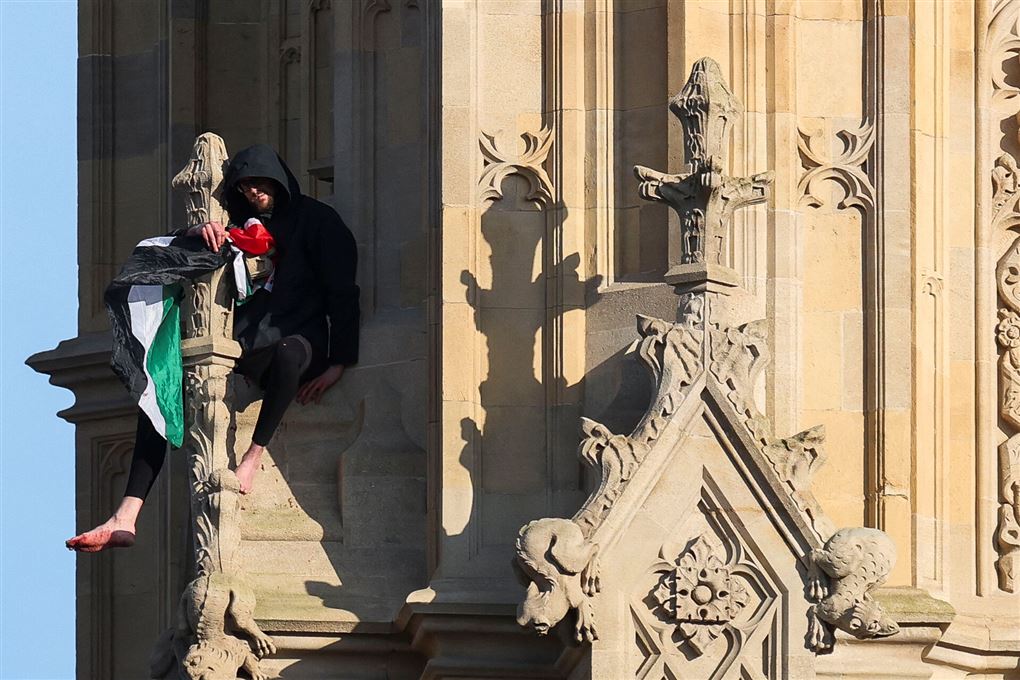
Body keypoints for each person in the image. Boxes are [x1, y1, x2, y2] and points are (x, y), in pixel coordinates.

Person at [66, 144, 360, 553]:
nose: (255, 192)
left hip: (298, 336)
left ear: (278, 181)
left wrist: (341, 361)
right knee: (163, 391)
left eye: (261, 183)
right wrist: (195, 233)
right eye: (246, 186)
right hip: (245, 342)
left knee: (292, 353)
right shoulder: (235, 223)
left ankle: (253, 457)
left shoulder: (317, 221)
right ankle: (126, 514)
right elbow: (157, 254)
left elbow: (343, 291)